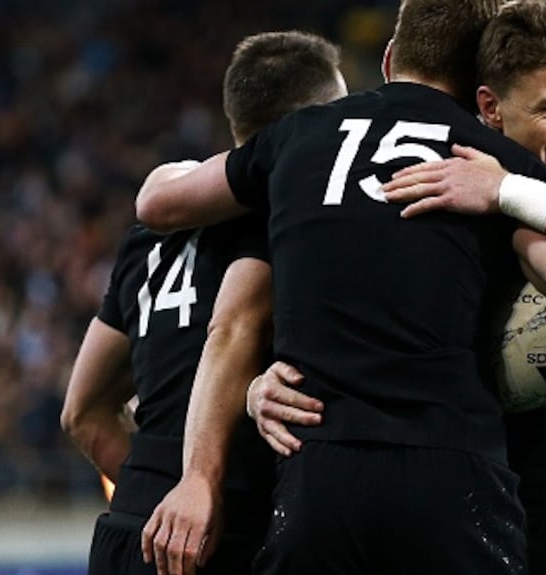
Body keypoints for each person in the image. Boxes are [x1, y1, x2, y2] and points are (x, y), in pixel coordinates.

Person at [134, 1, 546, 572]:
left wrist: (246, 404)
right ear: (486, 89)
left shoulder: (300, 138)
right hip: (459, 480)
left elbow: (160, 204)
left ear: (388, 59)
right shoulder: (493, 165)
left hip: (320, 474)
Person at [59, 31, 347, 575]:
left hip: (131, 531)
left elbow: (82, 412)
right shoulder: (288, 216)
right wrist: (199, 494)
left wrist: (158, 500)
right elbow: (232, 329)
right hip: (233, 531)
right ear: (313, 124)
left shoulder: (150, 235)